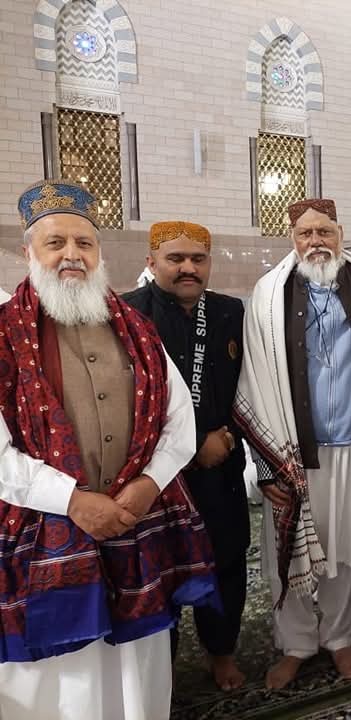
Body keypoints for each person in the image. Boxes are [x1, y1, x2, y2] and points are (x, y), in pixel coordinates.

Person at [0, 181, 218, 720]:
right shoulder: (3, 335)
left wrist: (148, 484)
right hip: (45, 533)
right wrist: (72, 501)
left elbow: (178, 420)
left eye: (84, 243)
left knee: (138, 675)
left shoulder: (136, 328)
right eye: (55, 243)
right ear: (28, 252)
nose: (71, 255)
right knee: (57, 685)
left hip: (133, 523)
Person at [234, 198, 351, 689]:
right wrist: (268, 462)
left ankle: (339, 637)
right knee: (290, 551)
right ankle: (297, 644)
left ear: (340, 233)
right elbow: (255, 376)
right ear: (293, 240)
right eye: (306, 234)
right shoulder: (269, 295)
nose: (315, 242)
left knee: (348, 552)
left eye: (324, 232)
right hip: (292, 453)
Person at [123, 221, 249, 690]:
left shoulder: (229, 311)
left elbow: (250, 384)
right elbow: (123, 399)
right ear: (152, 262)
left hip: (221, 465)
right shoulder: (127, 313)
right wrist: (193, 444)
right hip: (157, 475)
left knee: (227, 562)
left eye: (198, 259)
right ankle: (164, 665)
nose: (188, 268)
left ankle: (222, 652)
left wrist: (227, 438)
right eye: (175, 259)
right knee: (162, 569)